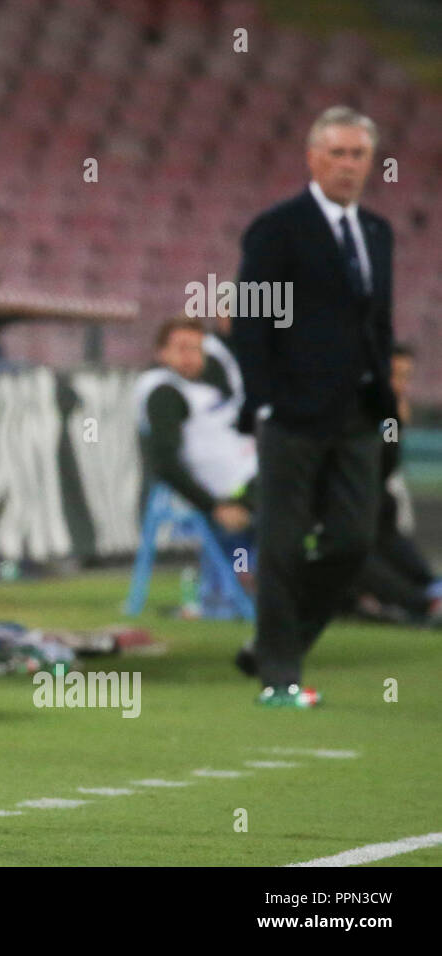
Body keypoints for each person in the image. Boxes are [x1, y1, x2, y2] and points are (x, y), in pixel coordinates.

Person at [231, 106, 396, 708]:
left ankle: (277, 642)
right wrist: (264, 400)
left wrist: (387, 401)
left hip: (358, 410)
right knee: (281, 542)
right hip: (293, 412)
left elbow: (379, 322)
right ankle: (280, 676)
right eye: (339, 154)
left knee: (354, 540)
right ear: (313, 158)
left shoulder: (379, 232)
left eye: (359, 155)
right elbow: (249, 317)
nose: (350, 165)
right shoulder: (279, 228)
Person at [134, 318, 256, 534]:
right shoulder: (164, 392)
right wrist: (216, 507)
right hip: (235, 493)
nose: (190, 356)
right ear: (161, 352)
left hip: (254, 479)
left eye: (197, 349)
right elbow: (165, 463)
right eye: (182, 348)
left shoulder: (201, 387)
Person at [349, 344, 442, 624]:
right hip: (342, 515)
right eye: (394, 376)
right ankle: (424, 605)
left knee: (403, 556)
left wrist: (395, 427)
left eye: (405, 377)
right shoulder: (349, 413)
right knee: (353, 553)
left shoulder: (388, 420)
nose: (400, 385)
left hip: (375, 511)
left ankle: (430, 591)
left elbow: (384, 469)